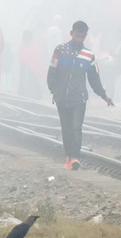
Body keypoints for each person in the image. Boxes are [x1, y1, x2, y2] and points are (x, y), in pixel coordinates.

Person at [47, 20, 113, 169]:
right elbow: (52, 72)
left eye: (82, 37)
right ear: (71, 34)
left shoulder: (89, 55)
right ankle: (69, 156)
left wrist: (104, 96)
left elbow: (94, 79)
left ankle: (75, 158)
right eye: (77, 36)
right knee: (66, 128)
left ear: (85, 36)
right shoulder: (60, 50)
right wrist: (54, 90)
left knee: (76, 128)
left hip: (79, 99)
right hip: (62, 98)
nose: (79, 39)